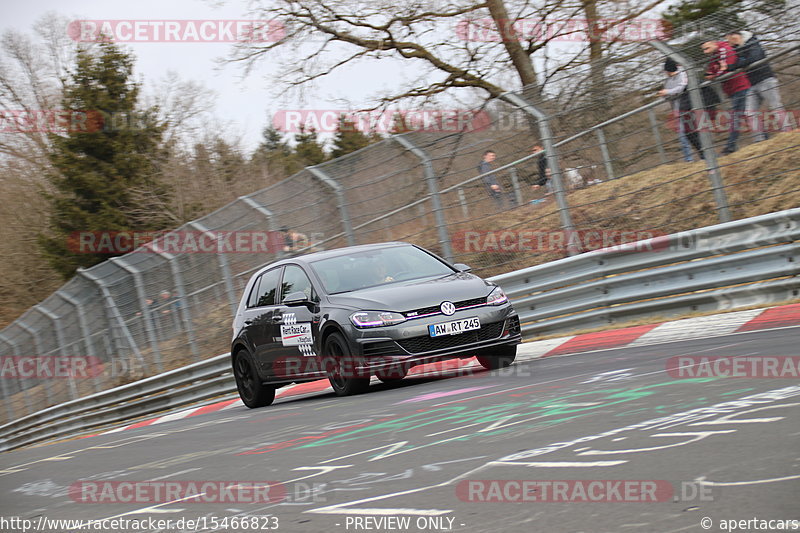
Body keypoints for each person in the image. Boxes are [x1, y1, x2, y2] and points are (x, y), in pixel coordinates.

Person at [724, 30, 790, 141]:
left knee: (775, 106)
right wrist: (728, 67)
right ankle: (759, 140)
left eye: (728, 39)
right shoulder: (738, 49)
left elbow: (754, 58)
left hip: (765, 79)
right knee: (749, 113)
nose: (727, 42)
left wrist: (740, 63)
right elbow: (736, 64)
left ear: (734, 36)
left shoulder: (753, 43)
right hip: (752, 84)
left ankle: (787, 132)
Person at [702, 39, 750, 155]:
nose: (705, 52)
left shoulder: (724, 49)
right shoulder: (714, 56)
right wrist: (714, 74)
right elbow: (711, 71)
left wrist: (716, 74)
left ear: (714, 44)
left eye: (707, 48)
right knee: (741, 116)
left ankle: (730, 146)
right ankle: (762, 137)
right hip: (731, 90)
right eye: (703, 50)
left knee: (736, 117)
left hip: (740, 87)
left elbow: (726, 68)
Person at [659, 58, 695, 162]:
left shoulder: (682, 74)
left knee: (694, 134)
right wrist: (665, 94)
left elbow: (681, 88)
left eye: (666, 70)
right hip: (677, 112)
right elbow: (668, 94)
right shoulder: (668, 81)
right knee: (682, 137)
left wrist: (668, 92)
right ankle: (688, 159)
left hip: (688, 108)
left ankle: (705, 155)